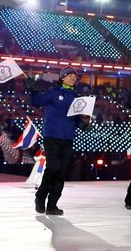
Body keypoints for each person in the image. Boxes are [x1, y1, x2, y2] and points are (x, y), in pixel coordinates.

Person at [29, 66, 88, 215]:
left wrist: (82, 124)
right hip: (52, 136)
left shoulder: (76, 97)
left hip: (67, 137)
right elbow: (36, 102)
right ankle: (40, 197)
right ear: (62, 77)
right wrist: (33, 90)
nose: (73, 79)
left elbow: (76, 118)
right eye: (70, 76)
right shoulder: (53, 93)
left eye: (75, 77)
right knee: (54, 167)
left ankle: (52, 205)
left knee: (61, 172)